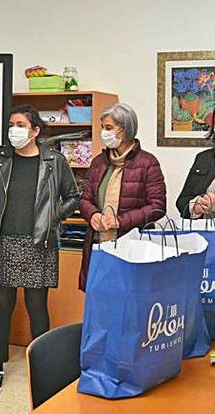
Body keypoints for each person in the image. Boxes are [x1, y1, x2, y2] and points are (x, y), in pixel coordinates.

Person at [0, 106, 79, 396]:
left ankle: (43, 369)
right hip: (2, 241)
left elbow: (73, 196)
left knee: (36, 307)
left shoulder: (54, 161)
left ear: (35, 131)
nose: (14, 130)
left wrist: (52, 217)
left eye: (21, 125)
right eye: (11, 124)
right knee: (2, 306)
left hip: (39, 242)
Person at [78, 103, 167, 290]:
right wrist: (93, 215)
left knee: (129, 302)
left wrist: (120, 221)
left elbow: (157, 206)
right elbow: (85, 199)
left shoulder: (147, 163)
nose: (104, 133)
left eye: (109, 128)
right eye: (102, 127)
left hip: (132, 246)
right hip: (98, 245)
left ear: (125, 130)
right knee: (99, 300)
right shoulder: (98, 162)